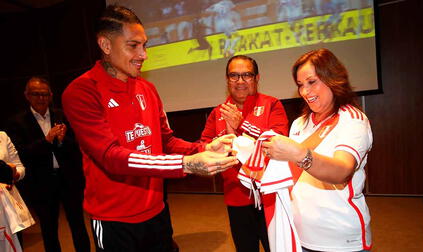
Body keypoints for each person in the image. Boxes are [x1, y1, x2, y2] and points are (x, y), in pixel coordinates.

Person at [61, 5, 237, 252]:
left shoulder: (147, 89)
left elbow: (166, 142)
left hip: (156, 212)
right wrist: (186, 164)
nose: (143, 54)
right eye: (133, 45)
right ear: (106, 45)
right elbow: (111, 157)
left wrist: (204, 147)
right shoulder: (81, 92)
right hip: (114, 221)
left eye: (144, 45)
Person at [261, 48, 373, 252]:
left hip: (340, 239)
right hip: (300, 235)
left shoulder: (352, 120)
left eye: (312, 82)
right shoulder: (299, 124)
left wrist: (298, 153)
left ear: (332, 78)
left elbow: (342, 171)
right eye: (300, 85)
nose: (305, 91)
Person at [200, 55, 289, 252]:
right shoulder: (217, 113)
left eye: (246, 75)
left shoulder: (272, 104)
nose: (240, 81)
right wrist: (217, 147)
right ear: (227, 80)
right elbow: (204, 146)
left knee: (276, 247)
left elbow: (278, 141)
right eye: (234, 76)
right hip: (236, 196)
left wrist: (241, 125)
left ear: (257, 78)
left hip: (270, 196)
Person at [6, 77, 91, 252]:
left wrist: (62, 140)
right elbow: (22, 154)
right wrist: (47, 141)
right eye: (36, 94)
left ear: (51, 95)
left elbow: (78, 145)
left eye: (44, 94)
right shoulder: (17, 122)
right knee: (49, 229)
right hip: (41, 183)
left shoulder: (62, 115)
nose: (41, 98)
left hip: (68, 179)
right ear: (27, 96)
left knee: (78, 224)